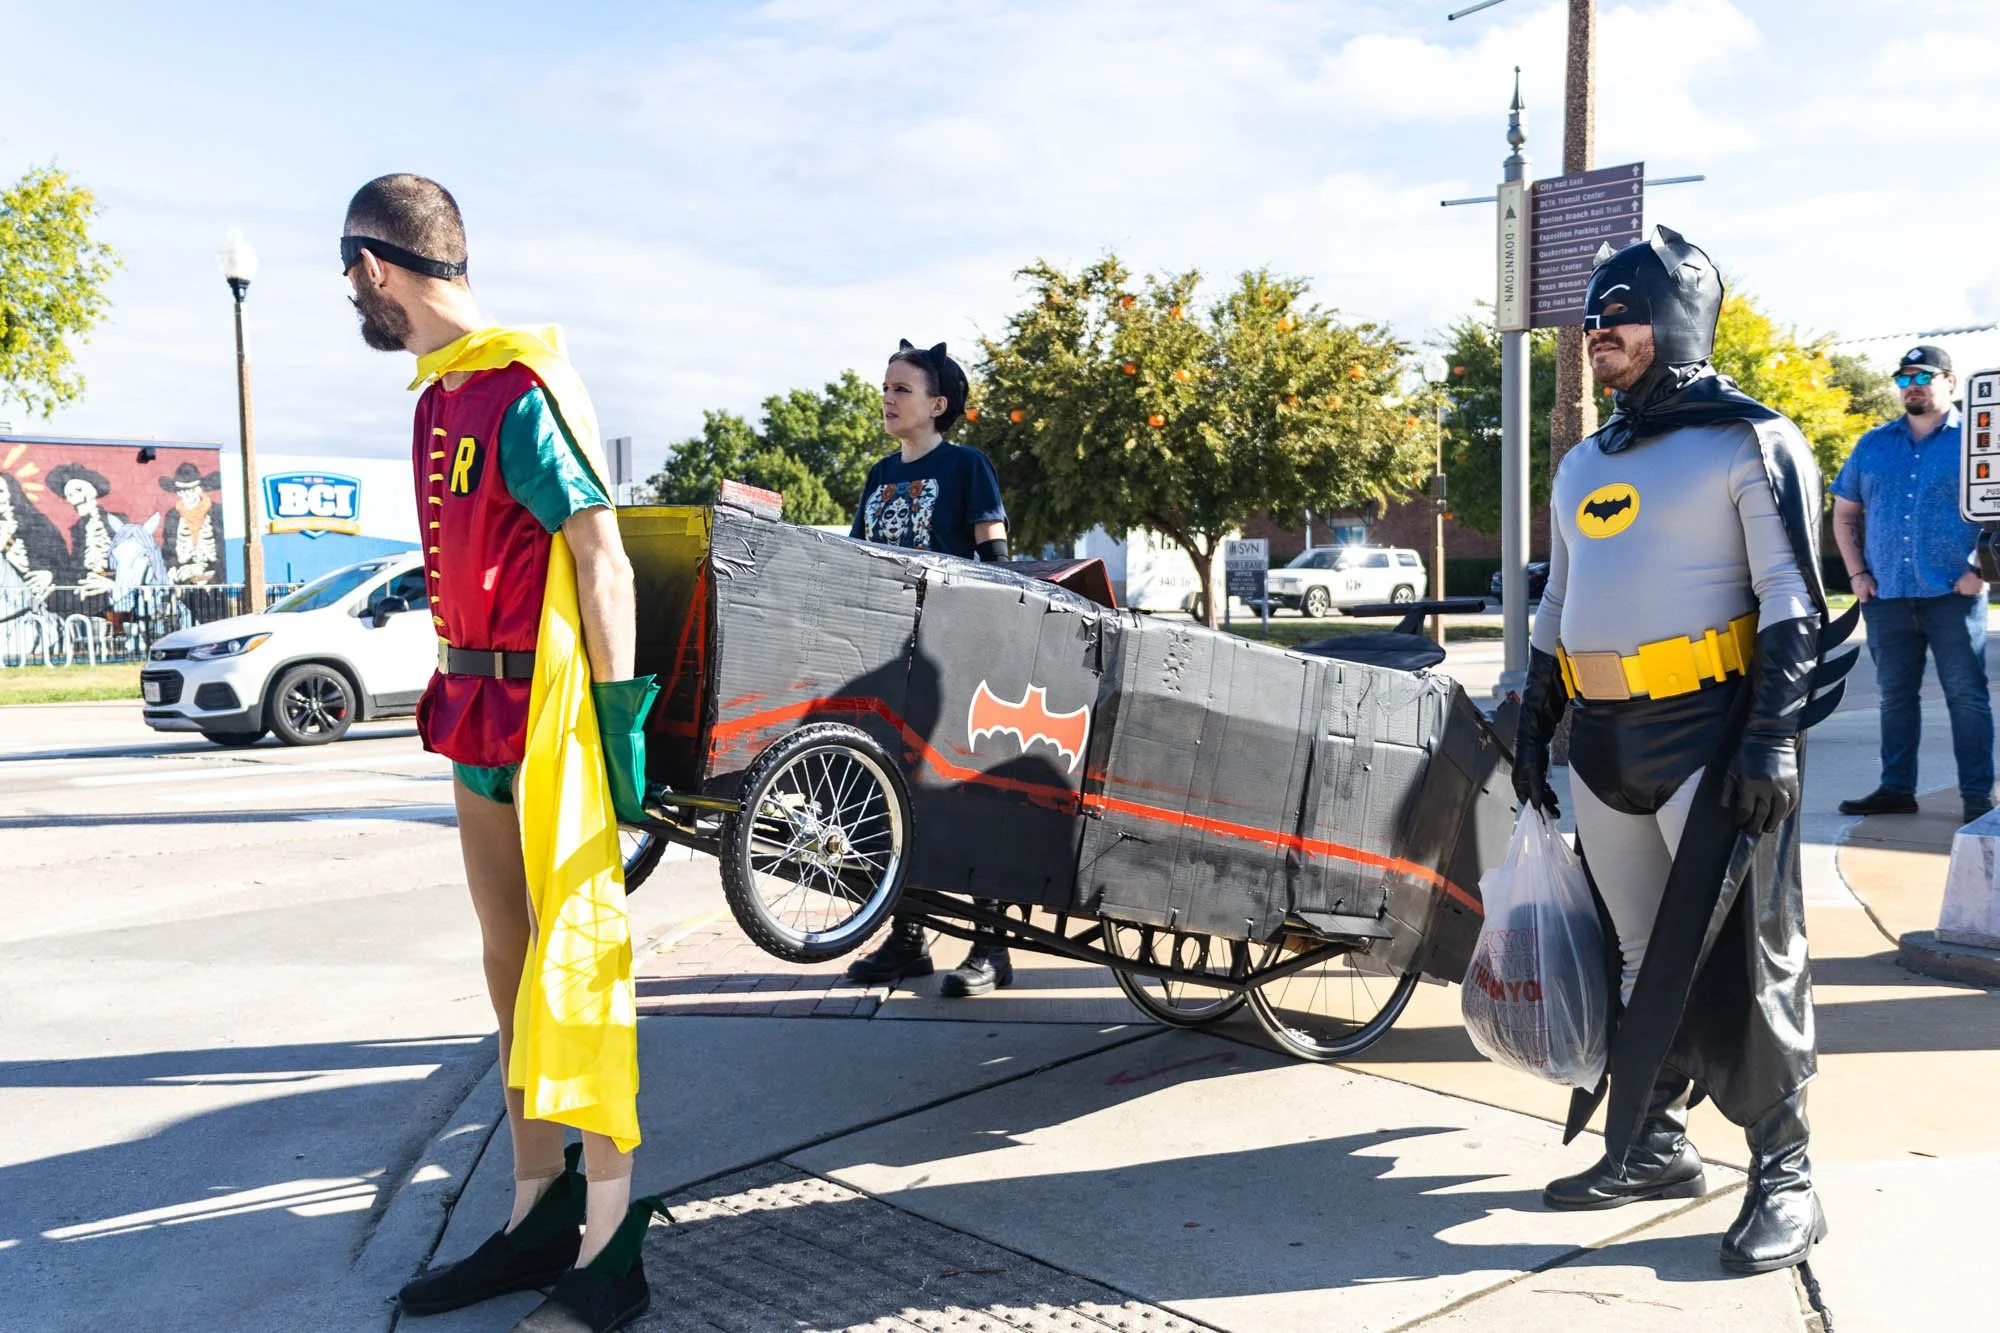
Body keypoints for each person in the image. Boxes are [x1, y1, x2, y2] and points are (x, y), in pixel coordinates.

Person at [342, 174, 658, 1333]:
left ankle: (614, 1242)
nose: (353, 301)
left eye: (351, 280)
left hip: (551, 723)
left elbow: (600, 552)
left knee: (576, 964)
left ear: (376, 268)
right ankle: (538, 1210)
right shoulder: (437, 396)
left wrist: (619, 733)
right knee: (507, 960)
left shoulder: (521, 386)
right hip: (472, 715)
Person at [1513, 227, 1839, 1275]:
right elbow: (1555, 601)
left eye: (1617, 313)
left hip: (1711, 735)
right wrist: (1531, 712)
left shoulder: (1750, 439)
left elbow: (1794, 596)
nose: (1594, 331)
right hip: (1601, 744)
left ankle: (1785, 1175)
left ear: (1675, 320)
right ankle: (1651, 1142)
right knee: (1633, 956)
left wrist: (1770, 738)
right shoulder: (1580, 461)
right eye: (1591, 315)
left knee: (1749, 961)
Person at [843, 339, 1016, 997]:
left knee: (970, 798)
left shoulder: (969, 467)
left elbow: (998, 565)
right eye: (885, 387)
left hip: (957, 660)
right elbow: (856, 563)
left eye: (902, 389)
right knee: (895, 796)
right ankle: (908, 940)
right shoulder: (878, 477)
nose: (887, 398)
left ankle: (990, 947)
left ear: (938, 404)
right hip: (889, 665)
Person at [1831, 345, 1994, 824]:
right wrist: (1857, 574)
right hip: (1887, 597)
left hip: (1953, 596)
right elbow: (1844, 514)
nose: (1912, 386)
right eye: (1904, 379)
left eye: (1922, 376)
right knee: (1894, 697)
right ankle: (1896, 788)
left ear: (1949, 380)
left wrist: (1981, 571)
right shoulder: (1873, 445)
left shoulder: (1977, 441)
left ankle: (1978, 798)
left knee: (1967, 698)